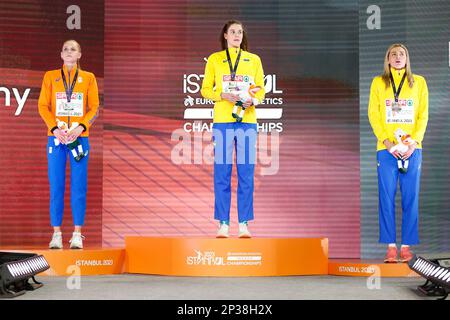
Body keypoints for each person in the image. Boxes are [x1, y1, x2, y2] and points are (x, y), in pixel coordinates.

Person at [201, 20, 265, 238]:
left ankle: (244, 223)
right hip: (223, 122)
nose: (237, 35)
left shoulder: (253, 60)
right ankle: (223, 223)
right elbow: (205, 90)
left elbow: (261, 90)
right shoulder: (215, 59)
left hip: (247, 122)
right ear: (226, 36)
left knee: (246, 173)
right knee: (222, 173)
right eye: (233, 32)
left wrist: (252, 100)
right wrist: (222, 95)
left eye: (240, 32)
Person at [368, 43, 428, 262]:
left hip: (413, 149)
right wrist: (387, 142)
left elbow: (423, 115)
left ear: (407, 58)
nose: (397, 56)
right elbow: (373, 114)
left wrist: (414, 143)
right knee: (386, 197)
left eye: (401, 53)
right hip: (386, 150)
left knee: (411, 198)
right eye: (393, 54)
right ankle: (391, 247)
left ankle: (406, 247)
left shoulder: (419, 82)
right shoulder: (378, 82)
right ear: (388, 59)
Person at [38, 40, 99, 249]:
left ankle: (77, 233)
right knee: (56, 186)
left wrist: (79, 128)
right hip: (56, 138)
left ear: (80, 54)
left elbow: (95, 108)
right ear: (61, 54)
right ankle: (56, 233)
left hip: (79, 139)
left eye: (73, 49)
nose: (69, 52)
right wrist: (55, 129)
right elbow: (42, 106)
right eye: (65, 49)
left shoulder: (88, 78)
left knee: (78, 187)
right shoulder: (50, 76)